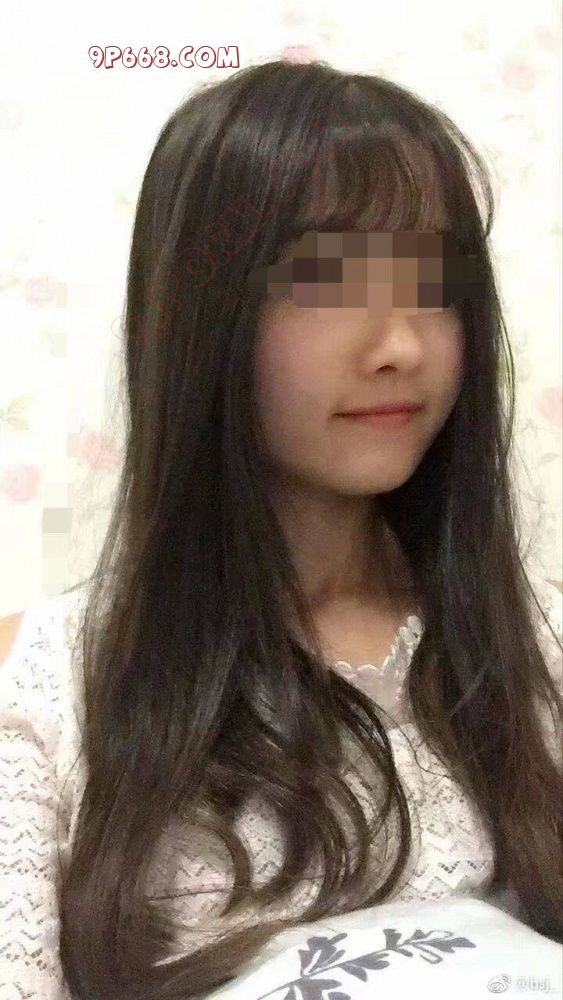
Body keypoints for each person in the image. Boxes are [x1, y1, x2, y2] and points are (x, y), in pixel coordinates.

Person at [1, 58, 561, 1000]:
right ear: (202, 312)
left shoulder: (535, 644)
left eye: (433, 282)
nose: (399, 345)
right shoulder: (50, 691)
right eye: (329, 279)